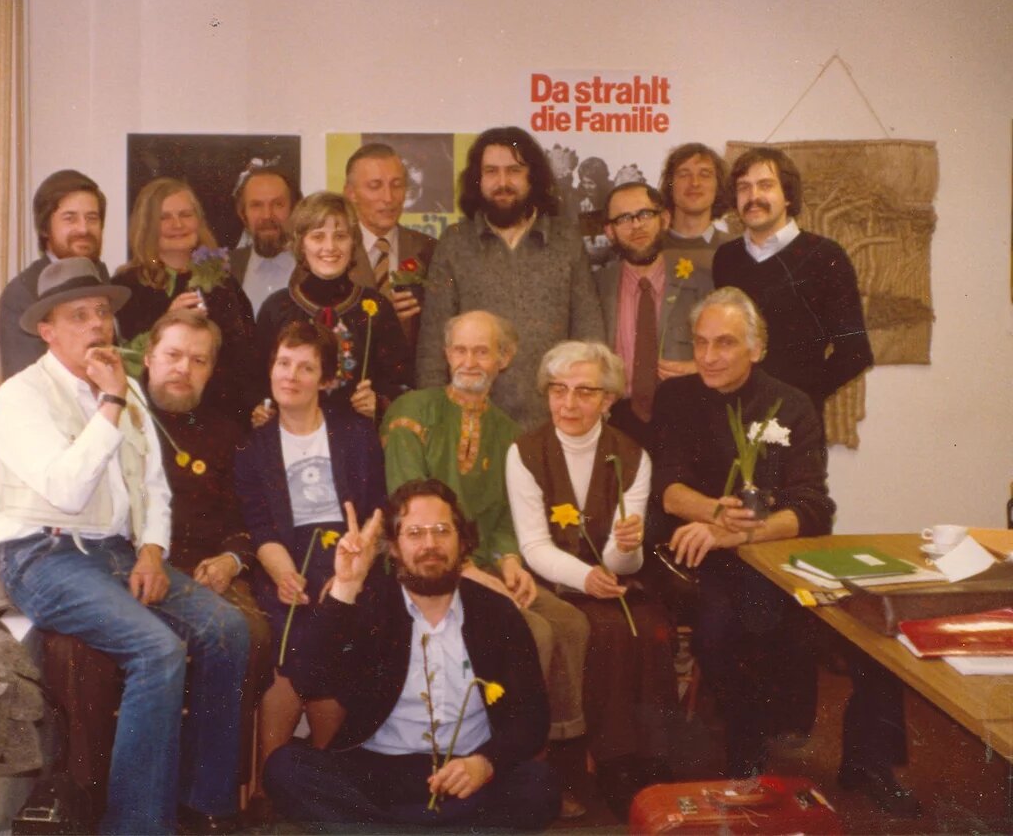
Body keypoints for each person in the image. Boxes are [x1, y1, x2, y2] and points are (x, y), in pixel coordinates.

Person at [0, 258, 249, 834]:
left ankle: (205, 806)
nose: (99, 326)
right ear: (47, 331)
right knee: (157, 650)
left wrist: (153, 549)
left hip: (115, 551)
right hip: (41, 555)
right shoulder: (21, 396)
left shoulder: (125, 392)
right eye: (79, 316)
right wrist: (110, 403)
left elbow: (153, 486)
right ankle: (135, 826)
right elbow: (66, 490)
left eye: (103, 312)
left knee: (228, 629)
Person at [654, 287, 916, 815]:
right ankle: (747, 754)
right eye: (701, 342)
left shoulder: (791, 404)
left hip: (774, 552)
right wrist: (714, 515)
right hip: (703, 556)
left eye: (724, 343)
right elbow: (669, 489)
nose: (707, 356)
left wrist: (742, 532)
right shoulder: (677, 398)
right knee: (725, 624)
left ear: (757, 348)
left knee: (875, 622)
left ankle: (869, 761)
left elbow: (814, 507)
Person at [381, 310, 591, 814]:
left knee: (572, 622)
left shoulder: (507, 430)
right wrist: (469, 574)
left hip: (486, 563)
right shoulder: (412, 410)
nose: (470, 361)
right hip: (426, 565)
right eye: (460, 349)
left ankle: (556, 758)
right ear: (445, 353)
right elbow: (408, 504)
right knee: (535, 631)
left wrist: (512, 562)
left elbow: (501, 518)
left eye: (482, 351)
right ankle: (513, 761)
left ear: (505, 358)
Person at [263, 478, 561, 831]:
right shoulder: (370, 604)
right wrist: (345, 586)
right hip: (379, 774)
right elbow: (308, 679)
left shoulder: (496, 612)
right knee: (286, 768)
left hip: (466, 776)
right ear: (394, 547)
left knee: (539, 785)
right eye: (415, 533)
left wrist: (486, 763)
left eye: (441, 531)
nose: (430, 544)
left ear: (462, 541)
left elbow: (532, 717)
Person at [507, 340, 677, 817]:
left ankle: (652, 757)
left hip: (614, 581)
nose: (569, 404)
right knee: (602, 630)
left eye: (585, 392)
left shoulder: (631, 456)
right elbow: (533, 545)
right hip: (553, 581)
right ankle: (612, 763)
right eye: (558, 390)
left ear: (608, 400)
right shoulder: (525, 452)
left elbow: (625, 564)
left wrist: (626, 547)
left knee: (650, 629)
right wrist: (587, 578)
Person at [233, 320, 387, 773]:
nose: (291, 376)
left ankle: (326, 773)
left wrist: (349, 575)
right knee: (289, 630)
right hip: (287, 554)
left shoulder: (355, 434)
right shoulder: (252, 448)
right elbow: (261, 528)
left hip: (351, 549)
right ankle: (271, 781)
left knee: (334, 626)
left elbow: (377, 513)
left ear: (325, 379)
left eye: (305, 368)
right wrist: (283, 574)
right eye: (283, 364)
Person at [142, 308, 272, 784]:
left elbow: (248, 516)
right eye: (173, 355)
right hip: (136, 569)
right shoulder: (120, 418)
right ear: (150, 357)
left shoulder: (228, 432)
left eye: (198, 361)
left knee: (253, 634)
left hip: (207, 571)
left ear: (212, 371)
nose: (183, 368)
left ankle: (209, 788)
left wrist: (231, 559)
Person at [415, 125, 604, 430]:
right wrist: (435, 420)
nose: (502, 182)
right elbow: (434, 342)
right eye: (491, 171)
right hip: (474, 420)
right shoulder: (455, 243)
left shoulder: (565, 240)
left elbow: (589, 329)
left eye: (514, 170)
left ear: (533, 177)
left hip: (555, 420)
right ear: (478, 180)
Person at [713, 146, 873, 412]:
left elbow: (856, 352)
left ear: (787, 195)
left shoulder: (826, 256)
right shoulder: (725, 258)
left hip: (797, 422)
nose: (753, 197)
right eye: (744, 187)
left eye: (765, 185)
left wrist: (800, 399)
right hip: (733, 415)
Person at [254, 191, 411, 423]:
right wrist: (262, 409)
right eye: (318, 237)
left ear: (353, 242)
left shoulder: (376, 308)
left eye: (340, 236)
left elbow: (402, 381)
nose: (330, 247)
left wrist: (379, 402)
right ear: (301, 244)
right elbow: (255, 383)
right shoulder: (276, 308)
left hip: (357, 444)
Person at [115, 177, 261, 426]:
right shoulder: (127, 286)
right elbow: (121, 362)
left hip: (219, 421)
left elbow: (248, 355)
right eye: (165, 218)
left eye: (185, 214)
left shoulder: (223, 282)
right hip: (154, 422)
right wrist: (166, 322)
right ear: (147, 226)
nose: (178, 224)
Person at [594, 182, 713, 453]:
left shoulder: (703, 283)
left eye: (645, 214)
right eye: (624, 218)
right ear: (609, 231)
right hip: (614, 421)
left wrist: (700, 367)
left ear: (665, 219)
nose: (636, 225)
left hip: (685, 422)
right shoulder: (594, 287)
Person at [0, 169, 111, 379]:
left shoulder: (103, 280)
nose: (83, 229)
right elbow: (27, 385)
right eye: (70, 219)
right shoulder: (23, 294)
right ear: (45, 229)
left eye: (92, 218)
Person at [341, 142, 438, 349]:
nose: (388, 198)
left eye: (397, 185)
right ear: (350, 193)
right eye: (375, 186)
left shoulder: (431, 251)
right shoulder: (330, 253)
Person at [228, 167, 301, 316]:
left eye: (278, 204)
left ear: (294, 210)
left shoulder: (314, 269)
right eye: (256, 205)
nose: (267, 215)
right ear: (243, 214)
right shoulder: (225, 269)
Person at [657, 143, 732, 271]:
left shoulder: (736, 250)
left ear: (718, 185)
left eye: (705, 174)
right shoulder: (649, 249)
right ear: (670, 185)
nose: (695, 183)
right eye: (684, 174)